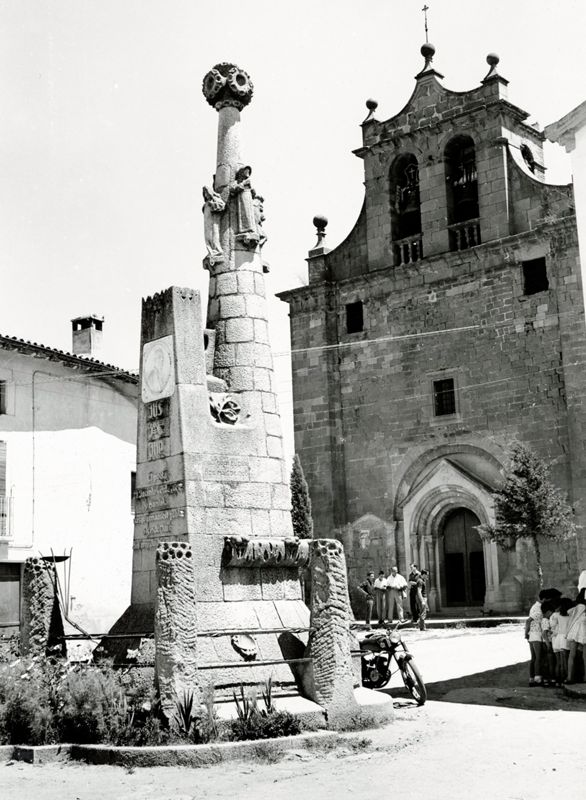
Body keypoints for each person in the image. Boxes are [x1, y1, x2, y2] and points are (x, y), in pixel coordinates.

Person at [550, 597, 572, 687]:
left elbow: (553, 625)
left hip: (558, 638)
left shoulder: (556, 615)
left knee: (559, 662)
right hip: (565, 638)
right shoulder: (571, 615)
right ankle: (564, 679)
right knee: (565, 661)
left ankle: (558, 681)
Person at [566, 587, 586, 684]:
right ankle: (585, 677)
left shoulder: (576, 607)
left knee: (571, 655)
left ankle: (569, 677)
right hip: (584, 631)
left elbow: (568, 612)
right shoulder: (584, 607)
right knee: (585, 656)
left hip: (573, 631)